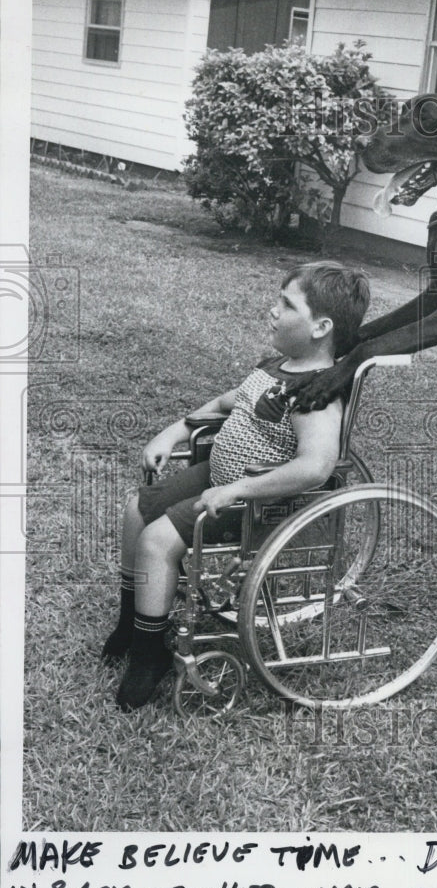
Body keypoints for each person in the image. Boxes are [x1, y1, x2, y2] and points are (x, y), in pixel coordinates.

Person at [103, 261, 371, 711]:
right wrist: (173, 432)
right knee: (136, 509)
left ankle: (150, 654)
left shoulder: (316, 394)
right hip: (219, 473)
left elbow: (314, 468)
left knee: (156, 541)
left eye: (287, 304)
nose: (272, 310)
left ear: (321, 327)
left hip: (256, 500)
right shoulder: (275, 367)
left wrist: (237, 492)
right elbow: (227, 403)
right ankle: (133, 621)